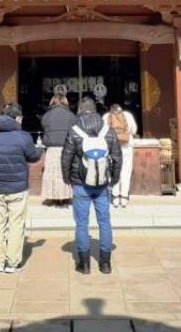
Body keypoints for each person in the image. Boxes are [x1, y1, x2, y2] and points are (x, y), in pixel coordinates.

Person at [61, 98, 121, 274]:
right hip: (102, 184)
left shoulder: (74, 131)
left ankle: (84, 264)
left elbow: (66, 157)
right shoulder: (108, 130)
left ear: (80, 110)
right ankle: (105, 264)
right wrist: (114, 179)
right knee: (104, 222)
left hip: (80, 183)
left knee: (81, 224)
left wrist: (67, 178)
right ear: (95, 110)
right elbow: (117, 158)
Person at [0, 102, 43, 273]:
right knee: (16, 223)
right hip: (18, 187)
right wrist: (39, 150)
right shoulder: (23, 136)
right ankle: (12, 262)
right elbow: (32, 157)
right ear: (17, 118)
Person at [39, 93, 75, 205]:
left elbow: (43, 125)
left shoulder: (47, 115)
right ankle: (65, 197)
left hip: (52, 148)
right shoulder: (71, 115)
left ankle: (52, 196)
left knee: (52, 173)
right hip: (66, 148)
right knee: (65, 173)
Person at [103, 103, 137, 208]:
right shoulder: (128, 115)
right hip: (126, 147)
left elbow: (102, 133)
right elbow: (134, 130)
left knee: (114, 170)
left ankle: (115, 197)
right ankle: (124, 197)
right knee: (125, 171)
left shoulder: (106, 116)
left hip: (112, 147)